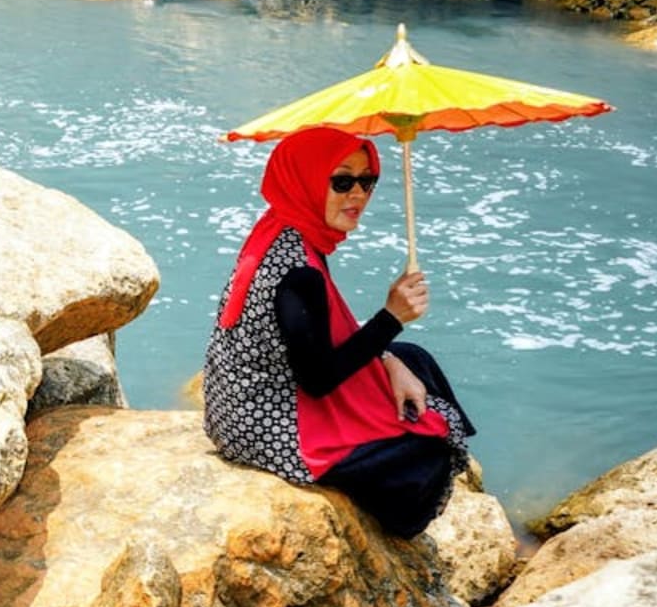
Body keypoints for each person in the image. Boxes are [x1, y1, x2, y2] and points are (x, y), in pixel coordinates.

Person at [202, 126, 476, 538]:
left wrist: (388, 356)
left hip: (238, 408)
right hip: (269, 428)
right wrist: (391, 317)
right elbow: (317, 381)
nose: (359, 195)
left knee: (412, 359)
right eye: (342, 180)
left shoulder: (284, 227)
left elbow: (312, 341)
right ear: (307, 179)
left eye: (367, 181)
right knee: (429, 448)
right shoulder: (297, 271)